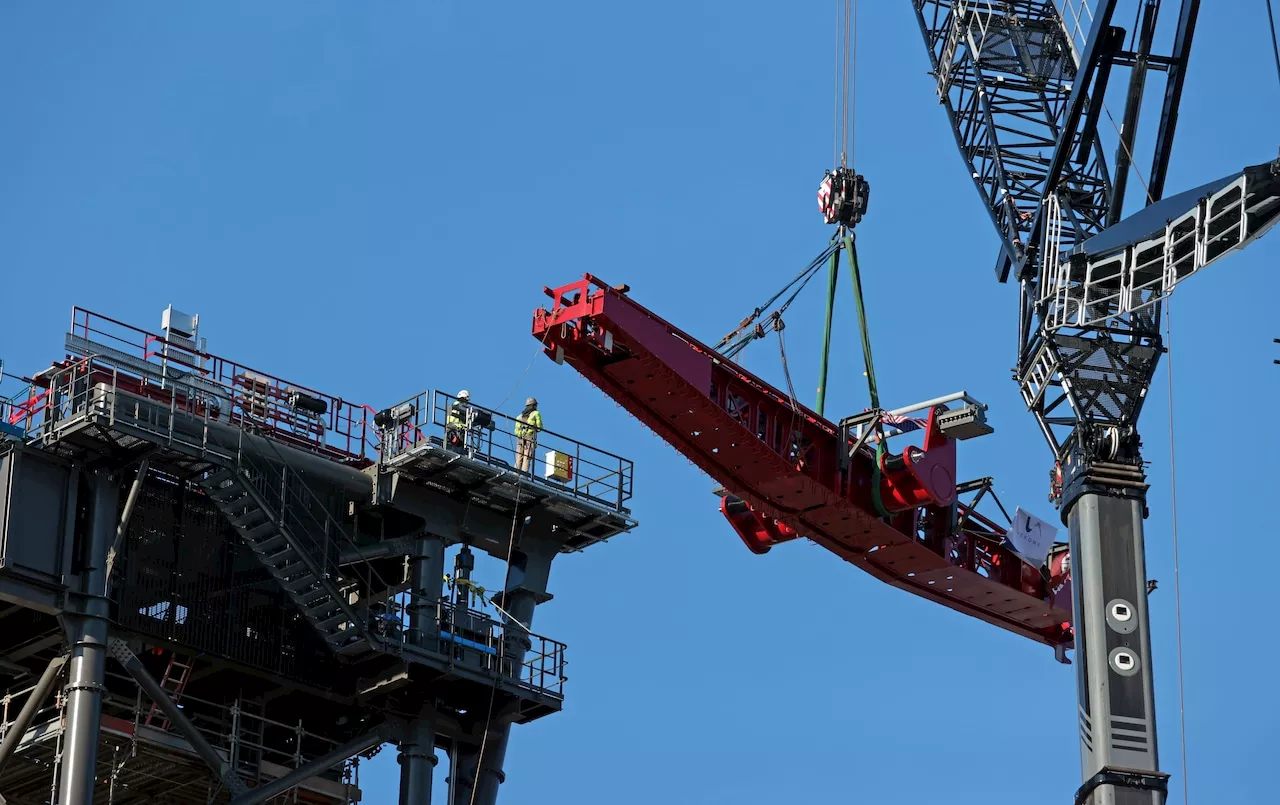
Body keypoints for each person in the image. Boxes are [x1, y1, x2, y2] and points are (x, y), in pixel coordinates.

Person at [515, 396, 542, 473]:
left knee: (519, 457)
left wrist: (521, 434)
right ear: (534, 405)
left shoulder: (519, 417)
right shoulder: (536, 413)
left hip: (520, 439)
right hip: (530, 438)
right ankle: (524, 475)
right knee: (527, 457)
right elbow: (539, 427)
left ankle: (515, 473)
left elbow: (516, 431)